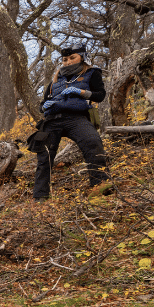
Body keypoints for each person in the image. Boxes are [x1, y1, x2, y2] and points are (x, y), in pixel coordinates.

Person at [32, 43, 110, 201]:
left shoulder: (92, 73)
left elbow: (100, 95)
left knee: (93, 142)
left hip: (77, 117)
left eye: (72, 58)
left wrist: (80, 92)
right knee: (44, 156)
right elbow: (42, 104)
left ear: (82, 57)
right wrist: (43, 107)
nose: (67, 62)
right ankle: (40, 198)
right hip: (52, 119)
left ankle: (101, 187)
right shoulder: (55, 79)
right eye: (65, 59)